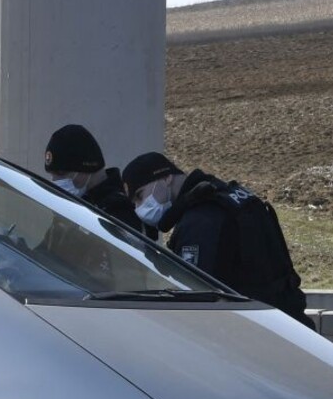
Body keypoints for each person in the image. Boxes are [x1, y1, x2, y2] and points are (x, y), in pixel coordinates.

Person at [122, 151, 312, 328]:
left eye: (140, 196)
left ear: (166, 177)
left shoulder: (201, 219)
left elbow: (198, 298)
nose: (139, 207)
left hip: (255, 332)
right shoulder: (231, 198)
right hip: (284, 320)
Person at [44, 124, 154, 239]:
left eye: (61, 173)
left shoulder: (120, 212)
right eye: (52, 175)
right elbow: (46, 250)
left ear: (87, 167)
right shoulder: (75, 203)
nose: (56, 181)